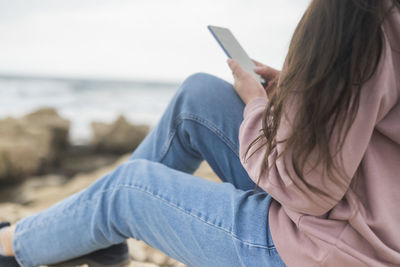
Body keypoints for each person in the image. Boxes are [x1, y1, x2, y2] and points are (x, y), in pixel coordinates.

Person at [1, 0, 399, 266]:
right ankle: (95, 233)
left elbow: (307, 189)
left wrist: (258, 105)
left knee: (128, 188)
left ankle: (14, 246)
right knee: (200, 94)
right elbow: (365, 114)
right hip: (367, 213)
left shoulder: (357, 17)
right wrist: (302, 92)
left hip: (332, 248)